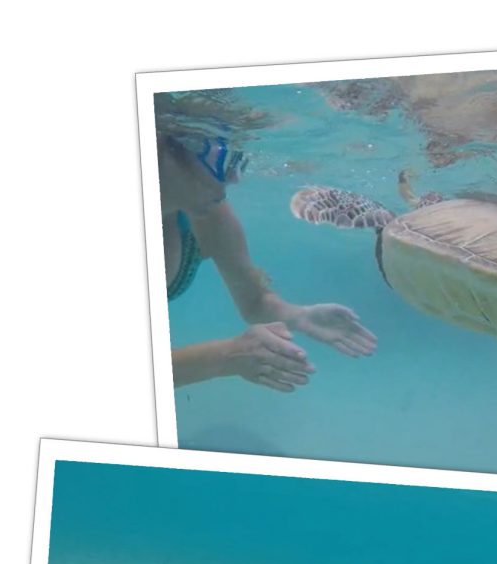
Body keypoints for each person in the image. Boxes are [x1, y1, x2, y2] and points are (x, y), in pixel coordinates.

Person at [158, 124, 377, 392]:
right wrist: (227, 356)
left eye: (237, 159)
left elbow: (255, 302)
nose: (233, 177)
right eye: (220, 156)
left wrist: (299, 316)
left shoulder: (207, 212)